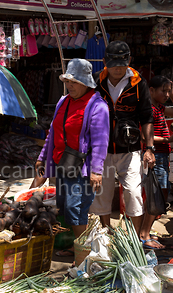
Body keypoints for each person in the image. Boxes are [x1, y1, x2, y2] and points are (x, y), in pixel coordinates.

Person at [35, 59, 110, 256]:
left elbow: (100, 142)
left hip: (82, 168)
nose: (70, 85)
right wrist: (42, 158)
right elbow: (53, 132)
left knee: (76, 210)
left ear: (86, 82)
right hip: (62, 164)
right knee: (64, 207)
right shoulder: (63, 101)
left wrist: (96, 171)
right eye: (68, 81)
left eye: (74, 82)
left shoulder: (98, 106)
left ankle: (84, 257)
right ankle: (74, 246)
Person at [89, 41, 156, 234]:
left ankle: (134, 237)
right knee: (102, 193)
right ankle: (105, 233)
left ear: (129, 61)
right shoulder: (96, 81)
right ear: (104, 62)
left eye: (122, 62)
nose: (118, 67)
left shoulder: (139, 83)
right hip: (102, 150)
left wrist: (149, 148)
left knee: (134, 193)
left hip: (131, 150)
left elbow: (146, 116)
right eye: (113, 62)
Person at [139, 75, 173, 250]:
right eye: (163, 91)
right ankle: (144, 234)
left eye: (168, 90)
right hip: (154, 156)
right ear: (151, 91)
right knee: (156, 195)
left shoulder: (160, 108)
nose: (166, 94)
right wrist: (166, 139)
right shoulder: (149, 109)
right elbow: (143, 136)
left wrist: (171, 93)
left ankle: (145, 230)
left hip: (162, 156)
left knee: (160, 195)